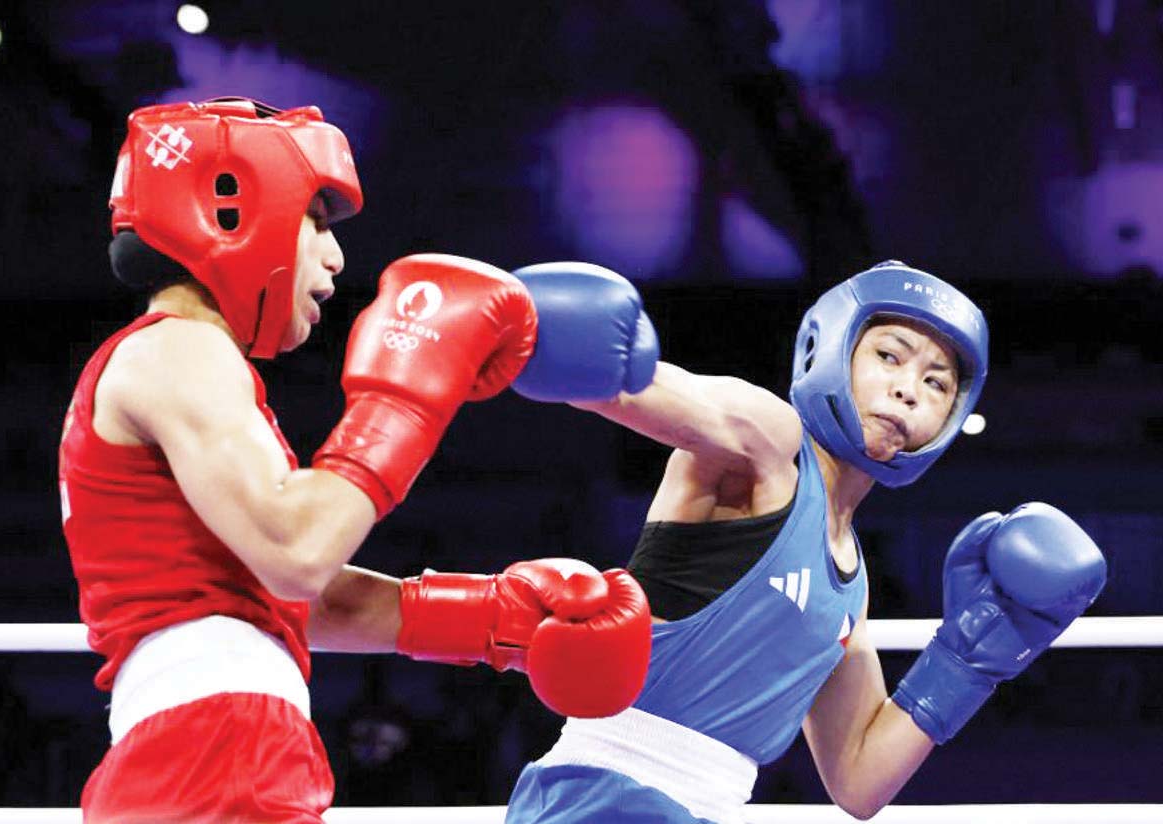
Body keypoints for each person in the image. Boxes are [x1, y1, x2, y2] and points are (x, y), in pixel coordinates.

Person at [58, 99, 651, 823]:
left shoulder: (174, 371)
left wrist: (484, 617)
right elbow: (295, 549)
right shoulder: (177, 348)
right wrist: (407, 395)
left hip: (200, 754)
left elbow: (291, 594)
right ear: (232, 207)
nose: (336, 257)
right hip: (217, 750)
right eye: (317, 221)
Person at [500, 260, 1108, 823]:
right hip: (602, 797)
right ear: (829, 349)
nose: (908, 390)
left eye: (936, 382)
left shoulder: (852, 580)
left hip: (703, 809)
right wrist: (528, 335)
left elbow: (859, 780)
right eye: (889, 356)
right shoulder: (771, 444)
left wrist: (966, 661)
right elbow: (641, 390)